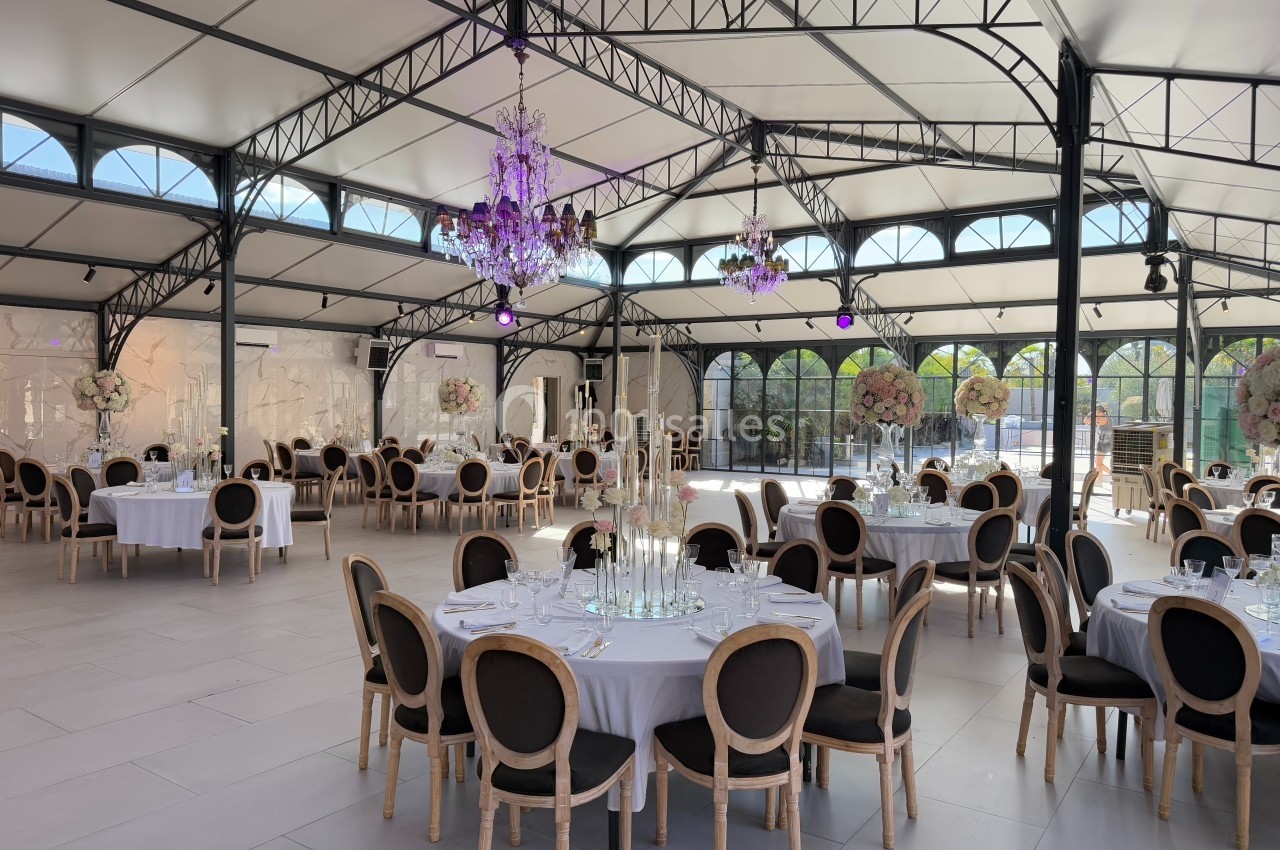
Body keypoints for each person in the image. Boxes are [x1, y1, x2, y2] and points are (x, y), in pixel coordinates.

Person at [1084, 404, 1112, 474]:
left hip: (1105, 443)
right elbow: (1085, 421)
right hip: (1103, 442)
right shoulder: (1101, 417)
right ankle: (1099, 482)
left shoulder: (1103, 418)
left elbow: (1086, 421)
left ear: (1099, 411)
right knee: (1098, 463)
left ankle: (1113, 475)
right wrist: (1092, 413)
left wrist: (1091, 413)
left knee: (1098, 463)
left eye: (1095, 411)